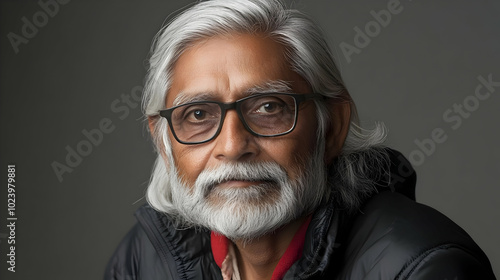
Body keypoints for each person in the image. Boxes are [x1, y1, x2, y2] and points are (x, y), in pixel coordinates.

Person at [105, 0, 496, 279]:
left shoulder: (421, 266)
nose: (232, 145)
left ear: (332, 128)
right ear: (164, 143)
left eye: (269, 107)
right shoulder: (145, 259)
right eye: (198, 115)